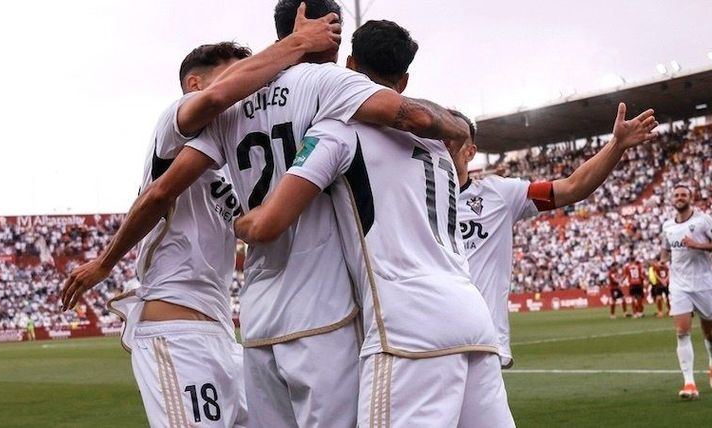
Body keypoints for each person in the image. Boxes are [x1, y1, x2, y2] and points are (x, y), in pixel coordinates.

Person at [180, 1, 471, 426]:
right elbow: (412, 115)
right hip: (322, 309)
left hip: (259, 314)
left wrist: (237, 219)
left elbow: (171, 181)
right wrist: (457, 128)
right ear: (324, 30)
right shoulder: (328, 83)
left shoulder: (231, 102)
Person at [60, 9, 344, 426]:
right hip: (174, 328)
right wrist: (296, 43)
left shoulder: (229, 148)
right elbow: (158, 193)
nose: (246, 86)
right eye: (237, 75)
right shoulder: (176, 124)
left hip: (222, 330)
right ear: (194, 83)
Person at [234, 20, 514, 427]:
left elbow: (268, 224)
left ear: (348, 64)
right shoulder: (437, 144)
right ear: (403, 80)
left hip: (406, 325)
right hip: (472, 315)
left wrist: (240, 223)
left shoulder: (339, 130)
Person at [449, 104, 658, 367]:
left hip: (483, 344)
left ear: (470, 152)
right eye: (438, 138)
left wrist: (616, 145)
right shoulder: (412, 198)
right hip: (430, 344)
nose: (443, 146)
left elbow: (572, 187)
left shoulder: (500, 195)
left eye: (452, 140)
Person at [661, 183, 712, 400]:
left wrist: (696, 245)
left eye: (683, 194)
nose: (680, 197)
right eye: (677, 195)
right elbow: (665, 251)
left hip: (703, 282)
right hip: (679, 285)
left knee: (710, 333)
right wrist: (661, 264)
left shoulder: (703, 221)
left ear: (691, 198)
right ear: (672, 199)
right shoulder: (667, 226)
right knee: (682, 332)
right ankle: (689, 383)